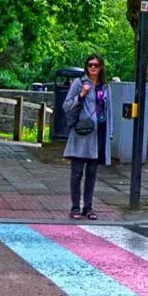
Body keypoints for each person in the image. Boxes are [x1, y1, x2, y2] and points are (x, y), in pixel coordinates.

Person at [62, 54, 113, 220]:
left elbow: (109, 111)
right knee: (77, 174)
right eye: (90, 65)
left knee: (92, 174)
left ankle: (88, 208)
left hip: (99, 135)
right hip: (81, 134)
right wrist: (81, 95)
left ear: (101, 67)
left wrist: (110, 132)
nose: (93, 68)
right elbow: (67, 106)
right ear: (86, 67)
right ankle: (75, 207)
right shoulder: (79, 83)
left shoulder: (105, 87)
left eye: (96, 65)